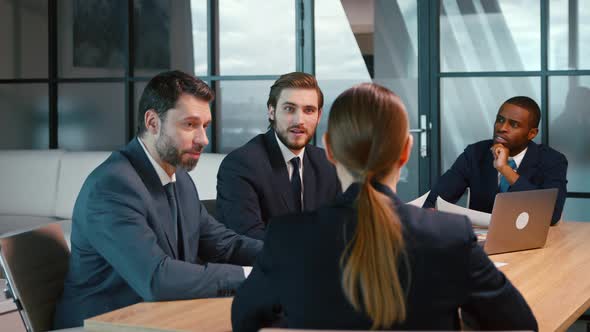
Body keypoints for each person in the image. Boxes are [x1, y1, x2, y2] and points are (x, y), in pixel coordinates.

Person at [231, 83, 537, 331]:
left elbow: (244, 320)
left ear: (331, 150)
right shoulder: (450, 236)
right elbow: (520, 325)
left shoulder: (286, 236)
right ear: (406, 152)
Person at [53, 71, 262, 329]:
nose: (203, 139)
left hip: (154, 319)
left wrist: (283, 256)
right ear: (152, 122)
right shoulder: (112, 187)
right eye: (189, 124)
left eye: (204, 126)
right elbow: (157, 278)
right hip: (99, 325)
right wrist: (252, 274)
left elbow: (223, 244)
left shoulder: (179, 178)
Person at [216, 72, 340, 239]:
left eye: (309, 110)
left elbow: (341, 227)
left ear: (318, 116)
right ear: (271, 111)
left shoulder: (328, 164)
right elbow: (248, 239)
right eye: (289, 109)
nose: (299, 120)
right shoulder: (240, 165)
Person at [423, 96, 568, 225]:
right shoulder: (475, 153)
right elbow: (436, 199)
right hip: (481, 242)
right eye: (500, 120)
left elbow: (552, 215)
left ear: (532, 133)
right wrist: (430, 212)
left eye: (514, 125)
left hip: (532, 242)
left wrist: (505, 169)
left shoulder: (553, 160)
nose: (502, 128)